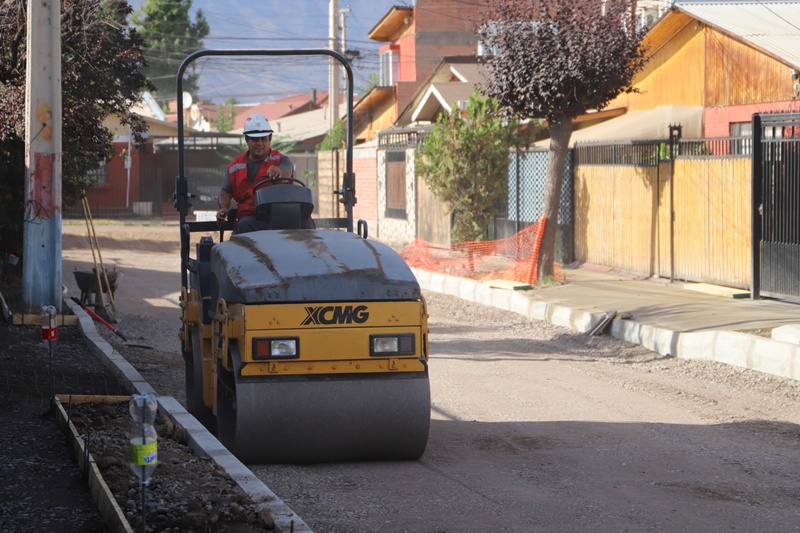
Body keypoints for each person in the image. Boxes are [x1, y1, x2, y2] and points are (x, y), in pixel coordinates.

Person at [216, 113, 295, 233]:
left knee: (306, 222)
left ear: (270, 139)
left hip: (280, 218)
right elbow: (226, 191)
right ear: (247, 140)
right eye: (255, 139)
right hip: (250, 218)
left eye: (264, 139)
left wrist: (279, 173)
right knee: (244, 225)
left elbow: (286, 173)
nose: (259, 143)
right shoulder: (234, 167)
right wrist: (223, 208)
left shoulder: (281, 160)